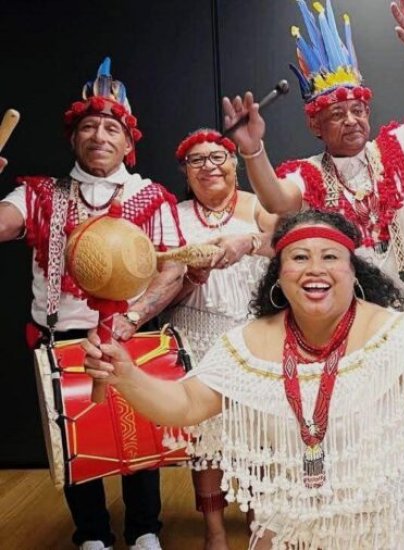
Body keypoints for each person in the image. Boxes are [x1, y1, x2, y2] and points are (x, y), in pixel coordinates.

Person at [81, 209, 404, 549]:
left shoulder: (394, 331)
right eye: (299, 257)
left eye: (330, 257)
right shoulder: (247, 342)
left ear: (355, 273)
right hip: (295, 512)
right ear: (277, 276)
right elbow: (187, 404)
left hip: (385, 520)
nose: (314, 268)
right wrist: (127, 375)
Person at [0, 58, 185, 550]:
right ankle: (92, 536)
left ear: (128, 142)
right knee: (75, 440)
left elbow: (173, 269)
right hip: (60, 338)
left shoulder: (153, 196)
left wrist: (132, 317)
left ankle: (146, 530)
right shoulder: (37, 193)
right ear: (74, 138)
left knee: (139, 433)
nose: (100, 135)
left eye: (111, 127)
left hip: (131, 334)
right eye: (88, 126)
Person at [220, 0, 404, 323]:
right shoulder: (309, 175)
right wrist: (253, 150)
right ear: (315, 125)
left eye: (358, 110)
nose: (351, 120)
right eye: (337, 113)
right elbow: (276, 198)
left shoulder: (394, 148)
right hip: (346, 321)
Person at [167, 128, 278, 549]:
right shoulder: (175, 215)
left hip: (253, 333)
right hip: (195, 330)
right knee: (205, 440)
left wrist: (249, 241)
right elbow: (160, 280)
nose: (209, 166)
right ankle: (214, 532)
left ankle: (259, 524)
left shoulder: (257, 206)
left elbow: (283, 244)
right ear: (186, 171)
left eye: (218, 157)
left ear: (234, 163)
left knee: (258, 435)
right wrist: (190, 275)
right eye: (197, 161)